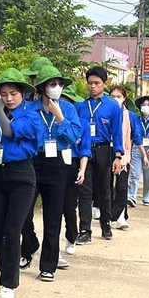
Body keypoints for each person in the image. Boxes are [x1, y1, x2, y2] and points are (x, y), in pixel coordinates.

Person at [0, 68, 43, 298]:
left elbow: (9, 131)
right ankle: (6, 268)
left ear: (22, 93)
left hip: (22, 175)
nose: (8, 98)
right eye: (3, 94)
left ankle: (9, 284)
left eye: (13, 93)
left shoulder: (30, 116)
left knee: (12, 232)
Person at [19, 59, 82, 278]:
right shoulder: (29, 109)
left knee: (53, 217)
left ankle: (48, 266)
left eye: (59, 83)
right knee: (23, 213)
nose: (56, 87)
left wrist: (60, 118)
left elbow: (74, 137)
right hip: (33, 162)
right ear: (41, 87)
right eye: (51, 83)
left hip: (56, 165)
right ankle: (29, 245)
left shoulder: (68, 109)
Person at [74, 66, 126, 242]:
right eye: (89, 83)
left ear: (105, 84)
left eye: (97, 83)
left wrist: (118, 156)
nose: (93, 87)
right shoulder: (80, 105)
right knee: (85, 191)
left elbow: (117, 133)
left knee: (104, 189)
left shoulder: (112, 106)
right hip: (85, 151)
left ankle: (106, 224)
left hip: (104, 149)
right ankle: (85, 230)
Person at [61, 81, 89, 255]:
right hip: (53, 163)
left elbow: (85, 149)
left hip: (72, 165)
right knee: (53, 207)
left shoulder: (82, 124)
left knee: (69, 207)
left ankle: (71, 237)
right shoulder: (50, 119)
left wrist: (82, 170)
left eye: (67, 101)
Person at [108, 84, 134, 230]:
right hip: (107, 151)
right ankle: (111, 214)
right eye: (113, 96)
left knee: (122, 186)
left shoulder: (129, 115)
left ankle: (120, 215)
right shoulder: (105, 112)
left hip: (123, 154)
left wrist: (125, 155)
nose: (116, 99)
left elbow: (133, 136)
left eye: (119, 96)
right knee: (107, 186)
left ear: (124, 99)